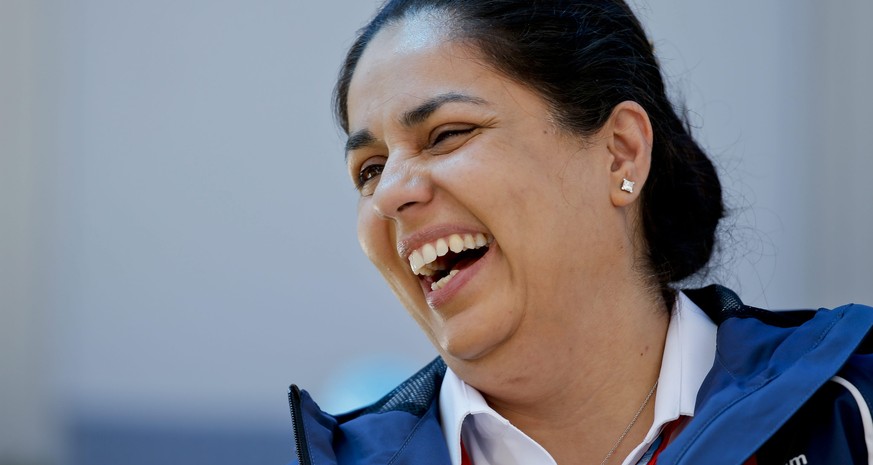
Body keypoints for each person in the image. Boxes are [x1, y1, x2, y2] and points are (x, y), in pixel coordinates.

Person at [289, 1, 873, 464]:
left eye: (446, 134)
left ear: (620, 153)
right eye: (368, 170)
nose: (389, 194)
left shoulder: (850, 415)